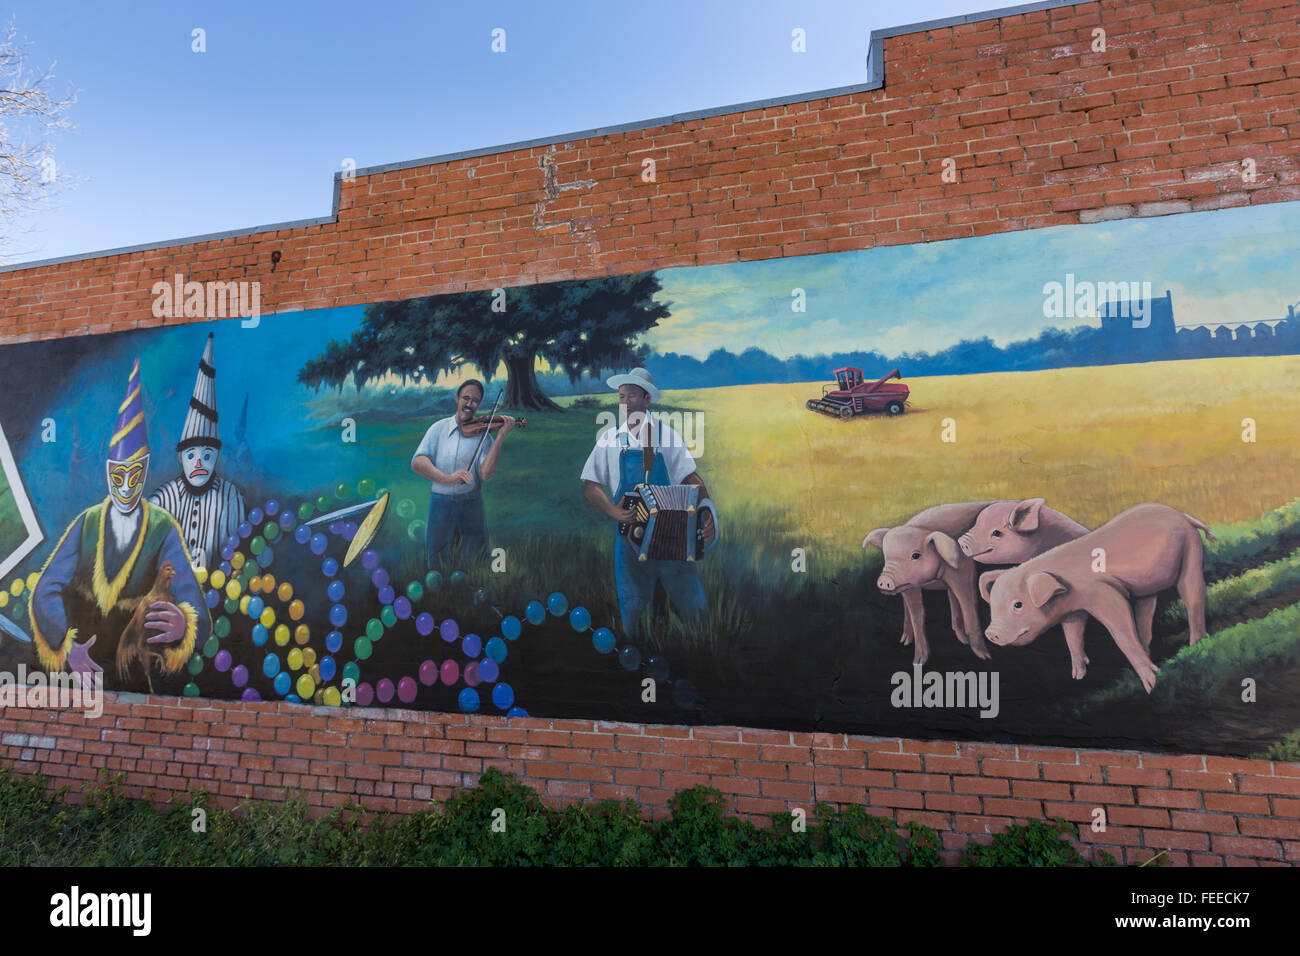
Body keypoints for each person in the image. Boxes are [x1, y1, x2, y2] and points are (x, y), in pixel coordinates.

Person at [29, 358, 211, 691]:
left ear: (145, 470)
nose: (126, 487)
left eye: (135, 475)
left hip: (134, 674)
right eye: (118, 476)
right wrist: (66, 647)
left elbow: (192, 599)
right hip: (80, 676)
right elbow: (45, 589)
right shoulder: (87, 523)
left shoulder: (162, 527)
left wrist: (185, 622)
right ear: (107, 472)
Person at [581, 367, 715, 634]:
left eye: (631, 396)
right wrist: (614, 512)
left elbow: (690, 477)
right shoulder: (609, 440)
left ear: (646, 399)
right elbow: (590, 485)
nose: (625, 403)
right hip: (630, 539)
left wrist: (707, 509)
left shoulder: (667, 436)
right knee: (634, 615)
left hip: (672, 538)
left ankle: (702, 650)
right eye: (621, 397)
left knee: (695, 611)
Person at [149, 333, 247, 571]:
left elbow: (239, 556)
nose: (199, 462)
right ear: (181, 457)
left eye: (207, 455)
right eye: (191, 455)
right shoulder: (162, 499)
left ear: (217, 456)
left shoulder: (232, 497)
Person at [411, 379, 515, 565]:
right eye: (466, 398)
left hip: (471, 504)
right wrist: (447, 478)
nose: (469, 404)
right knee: (436, 561)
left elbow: (485, 475)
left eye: (475, 400)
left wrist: (499, 437)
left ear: (479, 403)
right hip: (440, 504)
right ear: (457, 398)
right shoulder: (438, 429)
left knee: (476, 561)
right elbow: (418, 462)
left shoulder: (485, 435)